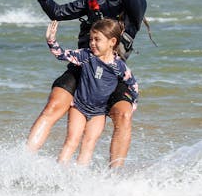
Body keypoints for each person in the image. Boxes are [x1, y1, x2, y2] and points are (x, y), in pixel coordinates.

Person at [23, 0, 147, 167]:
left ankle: (114, 178)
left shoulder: (136, 5)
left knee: (124, 116)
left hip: (112, 73)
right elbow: (57, 12)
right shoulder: (94, 0)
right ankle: (22, 162)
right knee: (54, 104)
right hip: (83, 66)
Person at [46, 18, 138, 165]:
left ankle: (79, 177)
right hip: (79, 107)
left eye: (97, 39)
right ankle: (59, 172)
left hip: (99, 113)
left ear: (112, 42)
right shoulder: (86, 56)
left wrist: (133, 105)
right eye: (91, 39)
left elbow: (132, 85)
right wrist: (51, 40)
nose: (92, 43)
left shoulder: (119, 66)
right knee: (72, 140)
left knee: (88, 144)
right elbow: (61, 54)